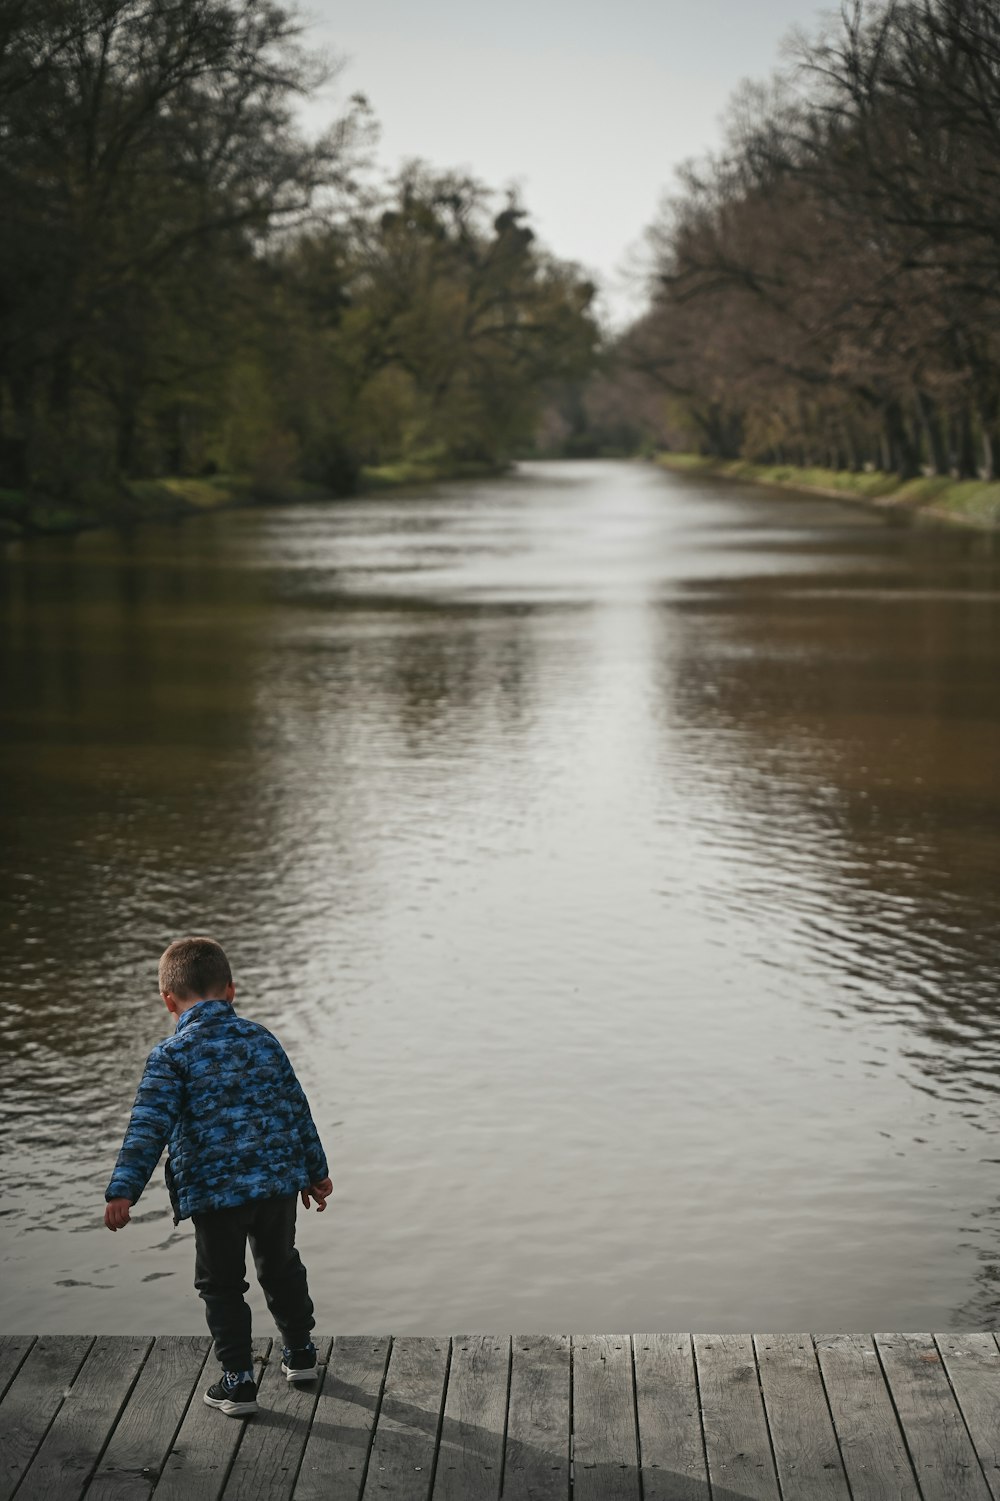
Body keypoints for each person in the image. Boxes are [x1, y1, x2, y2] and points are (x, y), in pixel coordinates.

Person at [103, 935, 332, 1418]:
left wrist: (124, 1190)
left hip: (215, 1193)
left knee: (222, 1285)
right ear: (231, 989)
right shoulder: (262, 1038)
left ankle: (238, 1382)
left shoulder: (172, 1056)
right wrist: (316, 1172)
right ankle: (301, 1354)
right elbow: (296, 1108)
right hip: (275, 1184)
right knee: (281, 1264)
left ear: (169, 1000)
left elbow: (148, 1127)